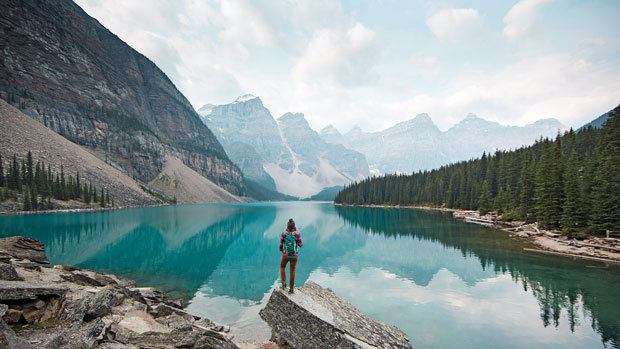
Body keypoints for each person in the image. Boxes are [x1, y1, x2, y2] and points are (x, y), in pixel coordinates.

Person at [280, 218, 303, 294]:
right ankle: (291, 288)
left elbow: (280, 246)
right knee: (292, 271)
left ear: (287, 227)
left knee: (282, 266)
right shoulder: (297, 234)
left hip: (285, 255)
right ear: (294, 227)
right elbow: (300, 245)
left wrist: (283, 251)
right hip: (294, 256)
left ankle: (283, 284)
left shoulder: (284, 234)